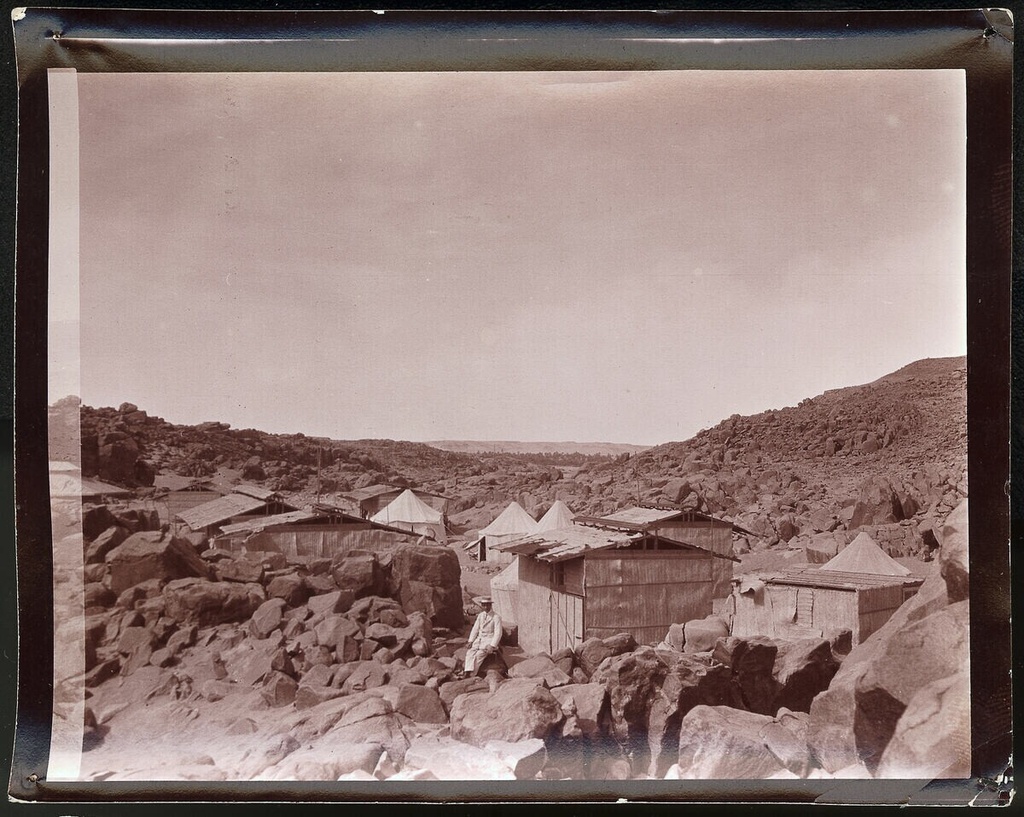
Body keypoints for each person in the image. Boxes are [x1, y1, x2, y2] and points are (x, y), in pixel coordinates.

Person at [463, 596, 502, 677]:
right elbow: (475, 629)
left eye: (488, 605)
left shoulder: (496, 617)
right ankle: (467, 671)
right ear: (481, 605)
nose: (486, 607)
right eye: (484, 605)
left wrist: (492, 645)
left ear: (490, 605)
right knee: (470, 652)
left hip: (489, 640)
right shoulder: (481, 615)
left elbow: (498, 633)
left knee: (479, 655)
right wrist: (470, 641)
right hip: (479, 639)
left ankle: (472, 674)